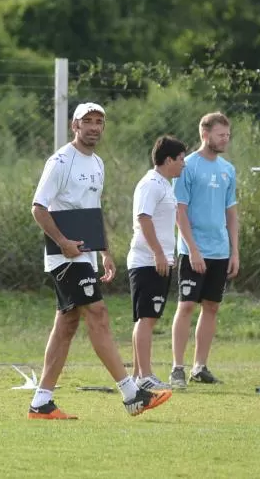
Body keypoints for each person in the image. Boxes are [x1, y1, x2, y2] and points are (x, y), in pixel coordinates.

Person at [27, 102, 172, 420]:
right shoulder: (60, 161)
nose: (94, 127)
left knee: (66, 325)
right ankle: (132, 394)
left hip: (86, 255)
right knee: (98, 312)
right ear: (74, 126)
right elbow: (38, 207)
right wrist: (63, 243)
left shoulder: (98, 164)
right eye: (87, 121)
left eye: (99, 122)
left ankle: (41, 402)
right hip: (65, 256)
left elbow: (92, 212)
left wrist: (104, 250)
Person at [169, 112, 239, 389]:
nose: (225, 139)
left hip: (220, 250)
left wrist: (234, 251)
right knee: (186, 305)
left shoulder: (228, 169)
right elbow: (180, 211)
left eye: (228, 135)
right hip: (192, 250)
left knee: (211, 306)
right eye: (221, 134)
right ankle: (177, 368)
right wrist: (193, 250)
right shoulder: (188, 167)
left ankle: (200, 366)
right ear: (205, 134)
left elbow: (231, 212)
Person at [128, 135, 188, 391]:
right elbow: (143, 218)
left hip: (158, 261)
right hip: (147, 262)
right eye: (181, 159)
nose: (183, 164)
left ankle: (137, 375)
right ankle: (145, 376)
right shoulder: (151, 184)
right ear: (168, 160)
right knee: (147, 318)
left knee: (147, 318)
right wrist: (158, 254)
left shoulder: (165, 185)